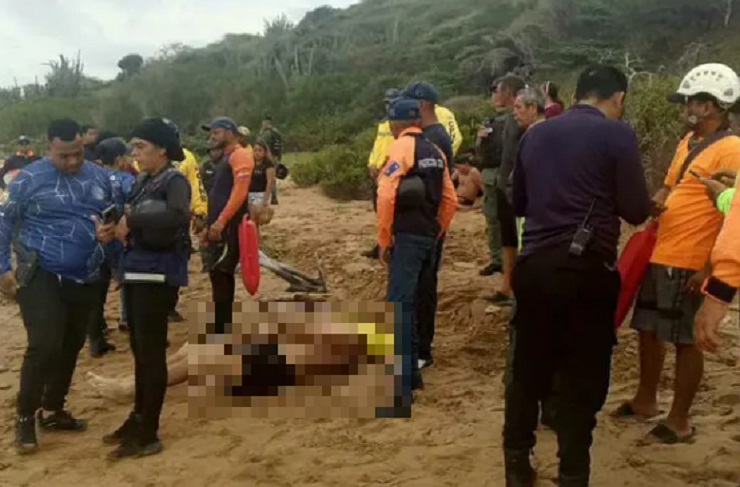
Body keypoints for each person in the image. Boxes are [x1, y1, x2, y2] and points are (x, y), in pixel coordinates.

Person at [506, 65, 651, 486]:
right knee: (582, 376)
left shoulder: (536, 134)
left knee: (527, 368)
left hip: (534, 267)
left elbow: (519, 202)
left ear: (577, 95)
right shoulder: (617, 135)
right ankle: (572, 473)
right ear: (617, 98)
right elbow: (635, 210)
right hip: (587, 270)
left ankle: (517, 466)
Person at [615, 64, 740, 445]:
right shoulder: (687, 141)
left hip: (692, 259)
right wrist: (652, 206)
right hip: (663, 251)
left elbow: (734, 213)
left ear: (710, 106)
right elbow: (669, 186)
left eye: (691, 102)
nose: (686, 109)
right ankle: (646, 399)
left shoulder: (733, 148)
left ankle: (679, 419)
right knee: (648, 328)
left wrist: (709, 267)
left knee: (687, 339)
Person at [0, 118, 121, 454]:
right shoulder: (28, 179)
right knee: (44, 344)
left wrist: (111, 234)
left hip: (86, 275)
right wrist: (3, 268)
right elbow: (4, 222)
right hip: (41, 272)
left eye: (77, 153)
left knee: (70, 344)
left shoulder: (100, 177)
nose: (72, 161)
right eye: (63, 155)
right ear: (47, 147)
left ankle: (53, 409)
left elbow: (114, 217)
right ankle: (25, 416)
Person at [104, 118, 191, 460]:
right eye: (134, 147)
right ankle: (138, 418)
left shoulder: (174, 180)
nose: (135, 153)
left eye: (141, 147)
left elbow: (179, 216)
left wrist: (133, 221)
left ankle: (148, 432)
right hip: (136, 269)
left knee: (152, 354)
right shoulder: (143, 180)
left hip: (158, 274)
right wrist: (113, 225)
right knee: (140, 350)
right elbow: (129, 214)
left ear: (162, 149)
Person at [376, 98, 457, 394]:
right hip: (427, 237)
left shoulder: (401, 147)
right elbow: (450, 200)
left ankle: (402, 379)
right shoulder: (435, 151)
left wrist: (384, 238)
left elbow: (386, 195)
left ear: (395, 123)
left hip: (407, 236)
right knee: (415, 301)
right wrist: (436, 231)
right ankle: (412, 373)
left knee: (399, 305)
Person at [402, 81, 457, 369]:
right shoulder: (434, 135)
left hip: (425, 226)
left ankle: (422, 349)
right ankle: (418, 346)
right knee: (420, 285)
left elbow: (443, 191)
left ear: (422, 105)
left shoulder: (433, 138)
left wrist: (437, 227)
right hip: (428, 225)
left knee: (422, 286)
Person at [201, 117, 254, 334]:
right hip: (219, 225)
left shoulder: (240, 154)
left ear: (230, 133)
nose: (212, 137)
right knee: (217, 273)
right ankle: (222, 324)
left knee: (222, 271)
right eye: (211, 133)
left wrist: (222, 220)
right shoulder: (226, 157)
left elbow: (240, 192)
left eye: (216, 133)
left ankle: (223, 328)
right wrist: (208, 223)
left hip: (230, 226)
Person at [87, 137, 136, 358]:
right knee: (130, 284)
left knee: (96, 292)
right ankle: (130, 322)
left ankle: (96, 339)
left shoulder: (88, 179)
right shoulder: (126, 179)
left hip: (94, 240)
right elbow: (134, 204)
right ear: (119, 159)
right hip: (118, 241)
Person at [166, 120, 208, 323]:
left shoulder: (187, 158)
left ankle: (170, 305)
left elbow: (196, 185)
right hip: (150, 218)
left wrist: (200, 212)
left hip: (179, 218)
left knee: (177, 261)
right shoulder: (143, 157)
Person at [490, 74, 526, 306]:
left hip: (517, 187)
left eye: (499, 90)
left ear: (509, 92)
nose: (496, 95)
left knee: (519, 238)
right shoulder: (509, 119)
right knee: (508, 238)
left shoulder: (523, 121)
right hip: (504, 185)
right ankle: (506, 286)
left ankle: (518, 290)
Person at [363, 88, 402, 259]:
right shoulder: (383, 123)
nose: (388, 106)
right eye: (386, 102)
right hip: (378, 172)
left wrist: (385, 168)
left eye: (391, 102)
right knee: (380, 211)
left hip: (391, 172)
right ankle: (382, 243)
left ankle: (392, 245)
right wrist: (372, 163)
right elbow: (377, 146)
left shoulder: (401, 124)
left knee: (392, 211)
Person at [476, 84, 507, 277]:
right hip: (490, 173)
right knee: (492, 219)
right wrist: (480, 138)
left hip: (508, 173)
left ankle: (508, 260)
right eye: (494, 92)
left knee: (509, 220)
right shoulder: (490, 121)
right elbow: (479, 149)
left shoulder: (516, 119)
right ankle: (497, 259)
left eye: (498, 92)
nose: (495, 96)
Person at [512, 86, 547, 247]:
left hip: (534, 213)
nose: (514, 113)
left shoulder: (533, 137)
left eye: (518, 107)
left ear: (533, 108)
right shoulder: (552, 132)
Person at [248, 139, 276, 238]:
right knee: (251, 220)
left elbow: (270, 182)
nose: (257, 153)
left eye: (260, 150)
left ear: (264, 151)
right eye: (255, 150)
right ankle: (253, 241)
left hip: (261, 193)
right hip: (250, 193)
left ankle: (255, 241)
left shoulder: (268, 164)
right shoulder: (251, 163)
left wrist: (265, 200)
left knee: (254, 219)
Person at [260, 117, 282, 205]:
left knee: (268, 178)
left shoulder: (266, 134)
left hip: (269, 157)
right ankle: (274, 197)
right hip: (276, 157)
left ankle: (271, 197)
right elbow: (280, 146)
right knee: (272, 178)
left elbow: (263, 146)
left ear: (266, 123)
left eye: (262, 123)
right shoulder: (277, 132)